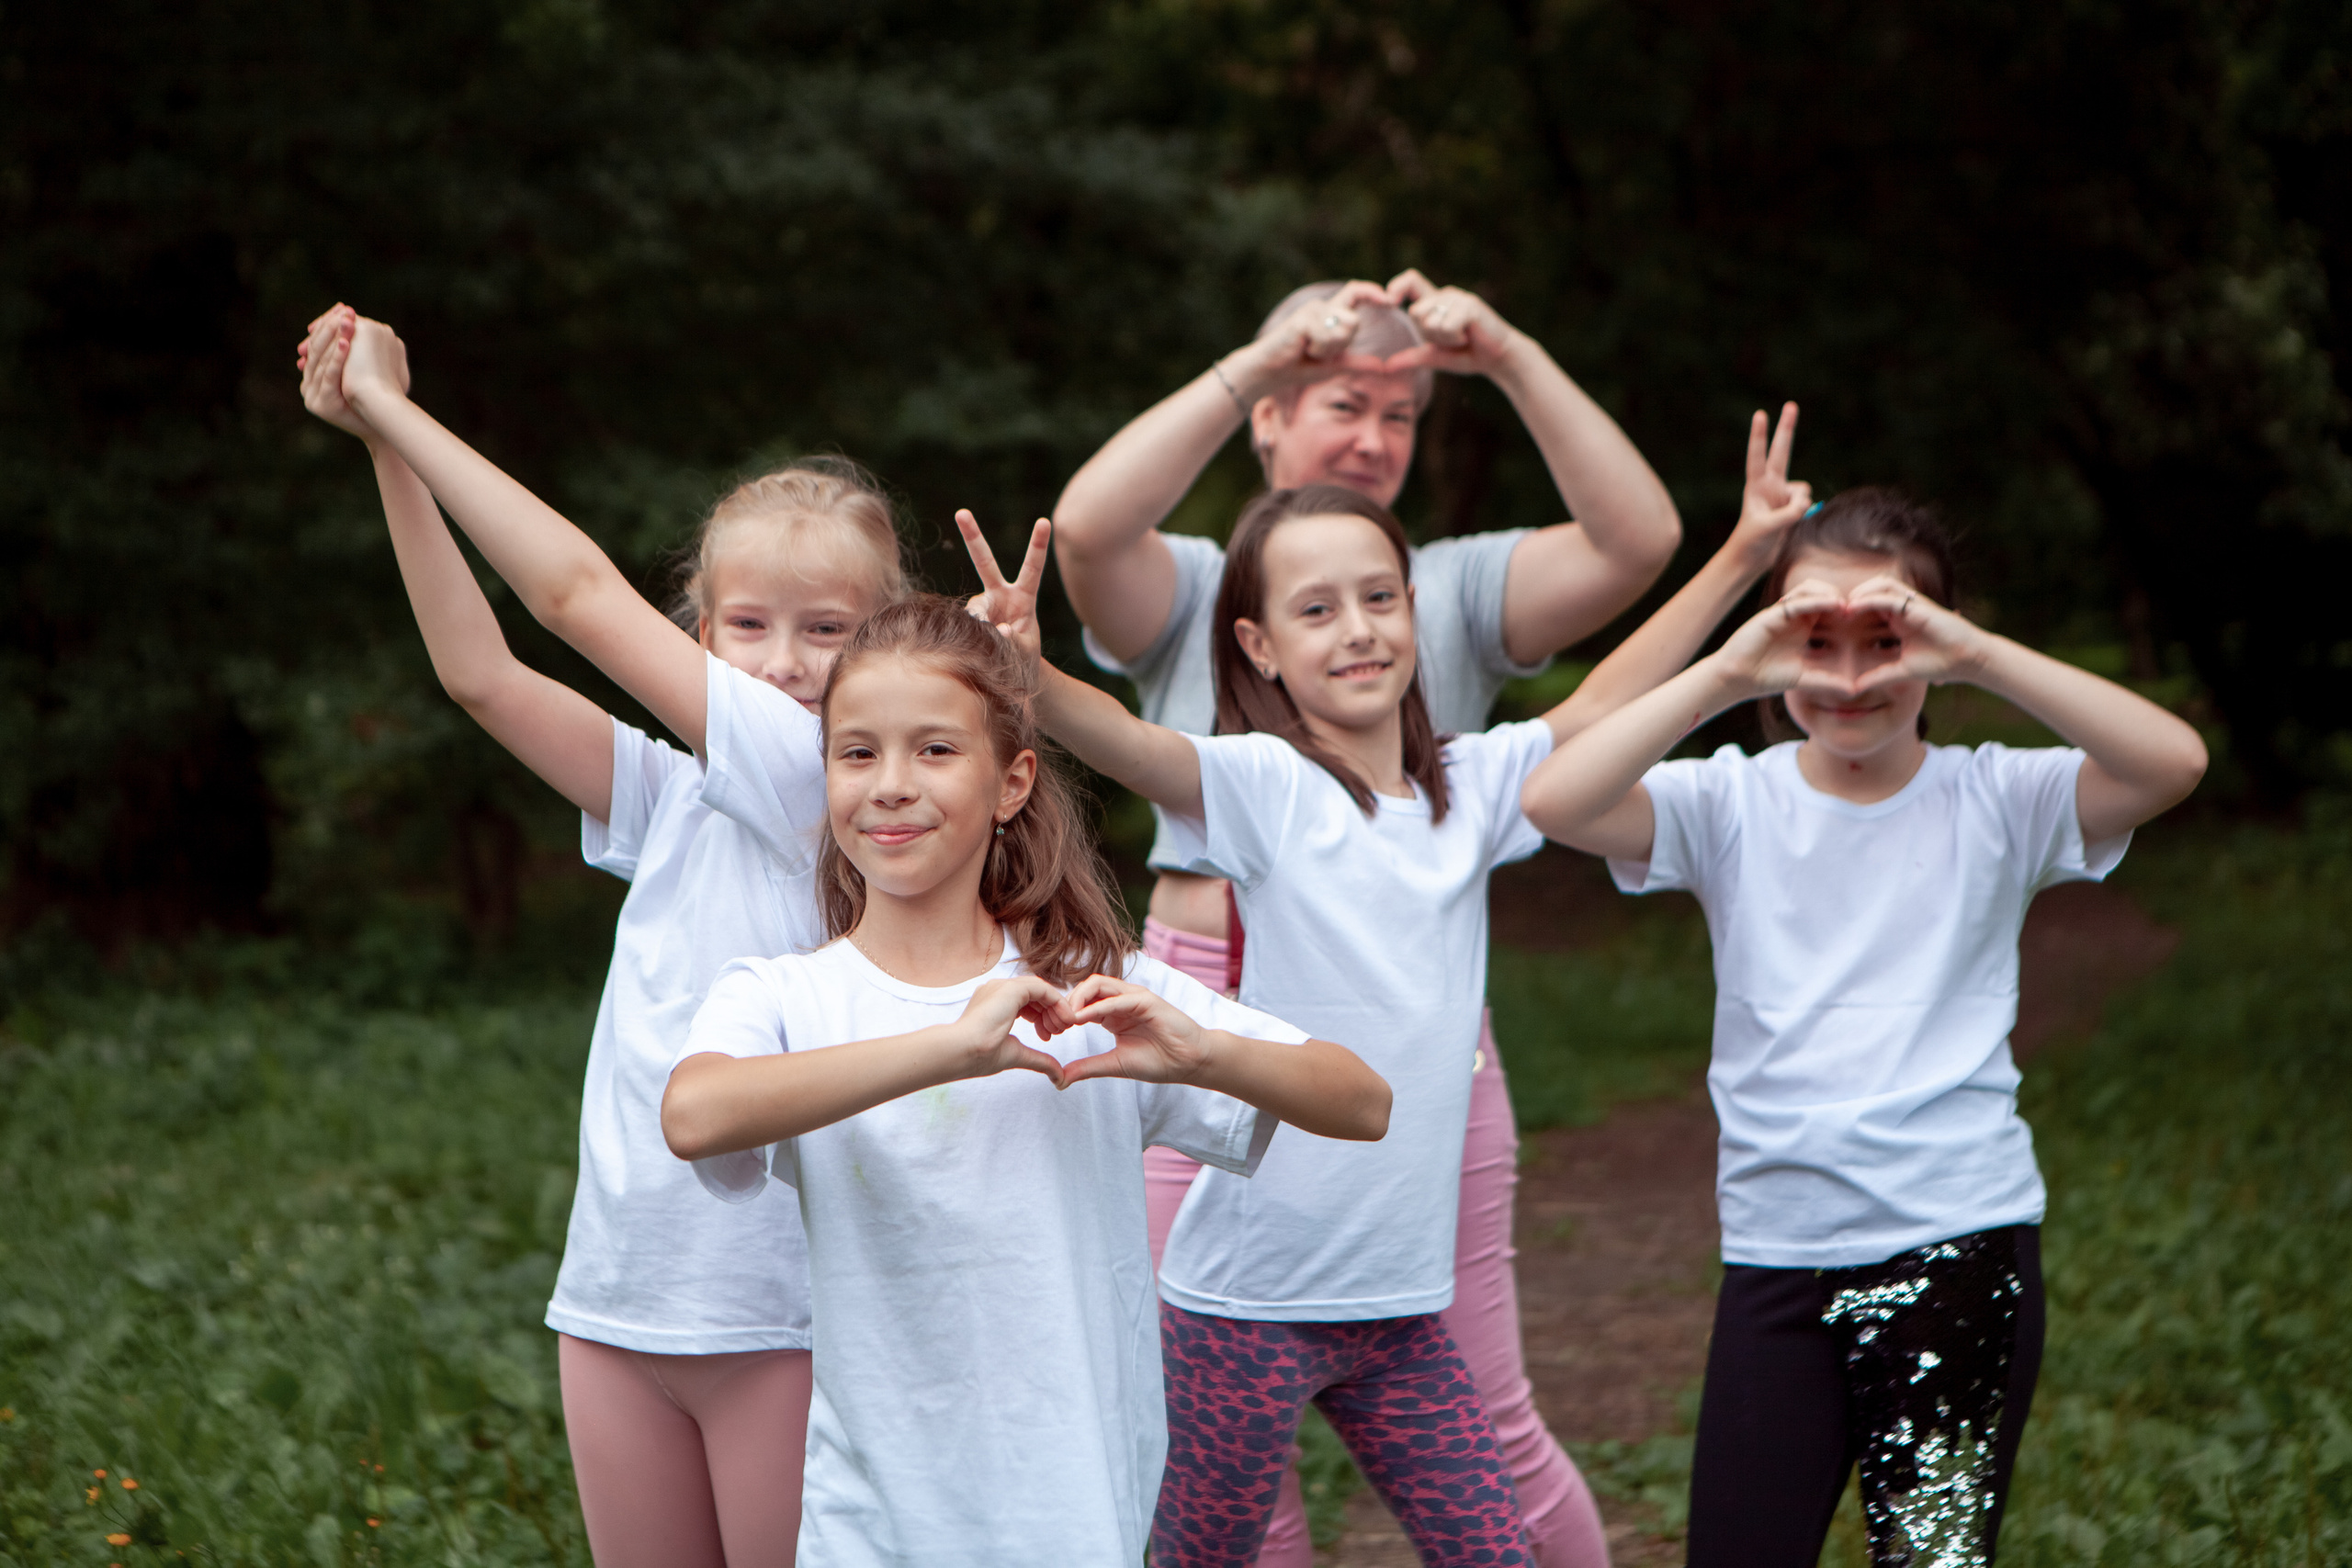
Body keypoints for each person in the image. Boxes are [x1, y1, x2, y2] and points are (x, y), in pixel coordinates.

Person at [1050, 270, 1682, 1563]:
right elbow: (1086, 533)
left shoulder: (1438, 586)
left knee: (1483, 1412)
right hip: (1194, 992)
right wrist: (1255, 354)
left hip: (1412, 1013)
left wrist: (1504, 354)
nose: (1376, 435)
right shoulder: (1194, 579)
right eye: (1345, 400)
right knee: (1230, 1432)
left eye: (1404, 415)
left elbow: (1635, 547)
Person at [300, 304, 903, 1567]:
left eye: (828, 628)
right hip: (620, 1300)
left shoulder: (826, 785)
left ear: (885, 646)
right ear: (702, 635)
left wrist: (399, 406)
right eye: (748, 625)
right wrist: (383, 453)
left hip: (782, 1317)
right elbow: (482, 674)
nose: (784, 663)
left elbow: (570, 594)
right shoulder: (679, 795)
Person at [1517, 490, 2209, 1566]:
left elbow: (2172, 763)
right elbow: (1555, 800)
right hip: (1776, 1256)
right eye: (1812, 639)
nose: (1847, 677)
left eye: (1884, 639)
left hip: (1960, 1249)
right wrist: (1735, 668)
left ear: (1932, 646)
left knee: (1932, 1559)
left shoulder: (1998, 799)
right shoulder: (1726, 804)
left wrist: (1975, 655)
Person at [660, 593, 1390, 1568]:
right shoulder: (786, 995)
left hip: (1074, 1515)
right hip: (869, 1527)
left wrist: (1203, 1050)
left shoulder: (1094, 990)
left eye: (934, 751)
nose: (889, 785)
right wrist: (947, 1048)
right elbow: (696, 1114)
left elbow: (1362, 1101)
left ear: (1012, 783)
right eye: (858, 752)